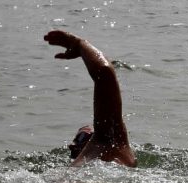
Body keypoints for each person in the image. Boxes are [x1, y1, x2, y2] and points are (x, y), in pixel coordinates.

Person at [44, 30, 137, 167]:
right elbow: (104, 74)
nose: (72, 145)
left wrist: (80, 44)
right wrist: (80, 45)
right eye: (78, 138)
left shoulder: (106, 147)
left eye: (81, 138)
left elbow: (104, 73)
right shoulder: (116, 154)